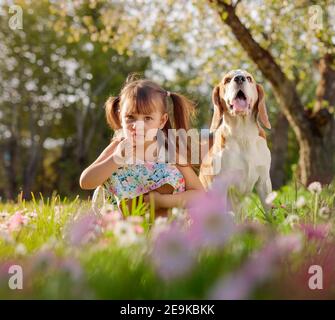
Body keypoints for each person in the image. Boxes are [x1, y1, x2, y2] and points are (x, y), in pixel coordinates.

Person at [79, 75, 204, 217]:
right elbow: (86, 182)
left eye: (147, 118)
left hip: (166, 226)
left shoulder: (169, 152)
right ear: (120, 117)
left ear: (162, 121)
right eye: (130, 117)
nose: (137, 125)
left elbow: (200, 195)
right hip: (123, 228)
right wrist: (116, 159)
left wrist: (162, 201)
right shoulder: (117, 148)